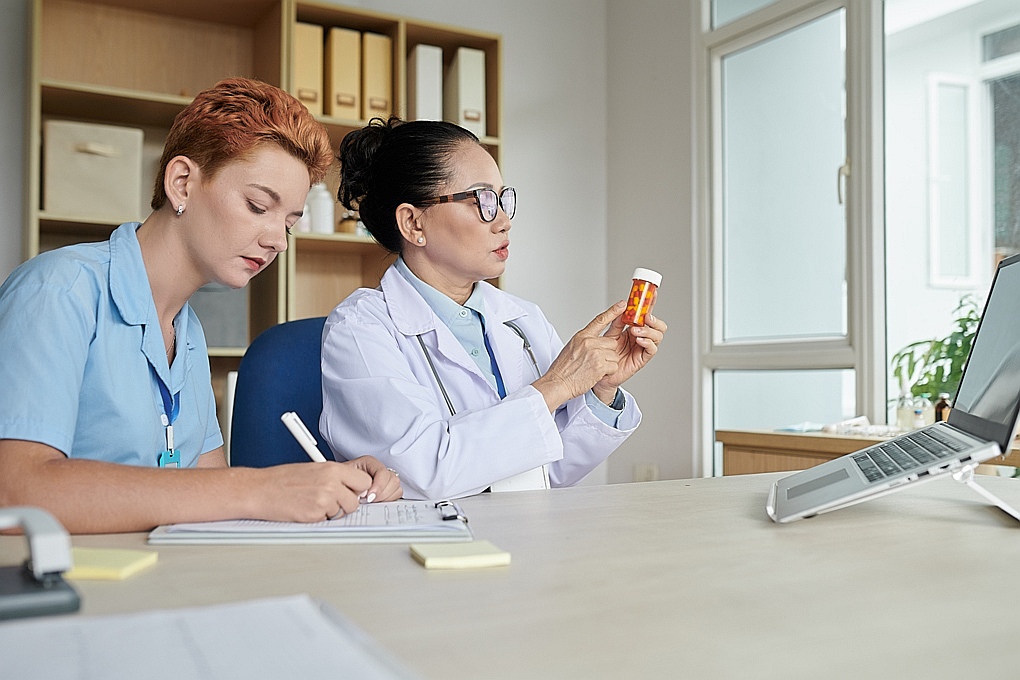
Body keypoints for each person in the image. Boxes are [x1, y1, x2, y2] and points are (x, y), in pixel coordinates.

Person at [0, 78, 400, 534]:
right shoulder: (58, 290)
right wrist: (259, 488)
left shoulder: (187, 331)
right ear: (182, 183)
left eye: (289, 223)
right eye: (257, 206)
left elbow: (211, 491)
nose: (277, 241)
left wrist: (334, 482)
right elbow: (14, 492)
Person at [320, 116, 667, 499]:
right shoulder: (359, 328)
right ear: (414, 223)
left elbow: (550, 470)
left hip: (527, 526)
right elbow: (420, 471)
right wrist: (557, 386)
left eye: (502, 199)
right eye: (482, 201)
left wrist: (600, 389)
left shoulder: (523, 319)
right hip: (433, 534)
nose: (503, 221)